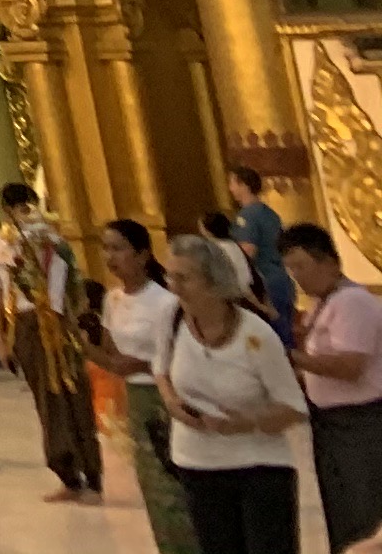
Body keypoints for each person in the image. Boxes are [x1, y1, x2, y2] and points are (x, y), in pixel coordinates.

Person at [159, 228, 307, 554]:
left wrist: (245, 422)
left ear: (213, 282)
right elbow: (161, 369)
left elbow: (294, 406)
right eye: (170, 277)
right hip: (196, 464)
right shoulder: (170, 319)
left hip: (260, 467)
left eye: (184, 278)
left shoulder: (256, 336)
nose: (174, 286)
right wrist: (171, 402)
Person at [0, 183, 103, 508]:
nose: (26, 213)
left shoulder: (54, 240)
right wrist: (0, 340)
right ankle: (67, 474)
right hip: (24, 323)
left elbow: (72, 286)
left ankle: (93, 474)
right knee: (46, 399)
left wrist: (76, 321)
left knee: (74, 390)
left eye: (30, 206)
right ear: (6, 211)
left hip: (59, 321)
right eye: (19, 207)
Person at [88, 221, 202, 554]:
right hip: (133, 397)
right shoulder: (113, 299)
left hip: (164, 395)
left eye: (119, 248)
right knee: (151, 486)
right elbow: (112, 353)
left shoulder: (165, 301)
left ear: (142, 254)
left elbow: (179, 352)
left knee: (173, 486)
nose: (111, 256)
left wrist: (138, 365)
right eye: (106, 248)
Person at [287, 220, 382, 553]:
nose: (296, 275)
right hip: (332, 423)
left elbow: (350, 366)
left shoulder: (352, 303)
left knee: (362, 510)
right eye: (290, 268)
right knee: (340, 509)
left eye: (301, 265)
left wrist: (294, 359)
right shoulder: (323, 303)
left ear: (327, 261)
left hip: (360, 422)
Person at [226, 170, 296, 346]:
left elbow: (247, 251)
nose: (230, 189)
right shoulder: (270, 213)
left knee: (269, 339)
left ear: (243, 185)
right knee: (285, 334)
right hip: (281, 279)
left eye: (232, 183)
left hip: (264, 282)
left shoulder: (247, 216)